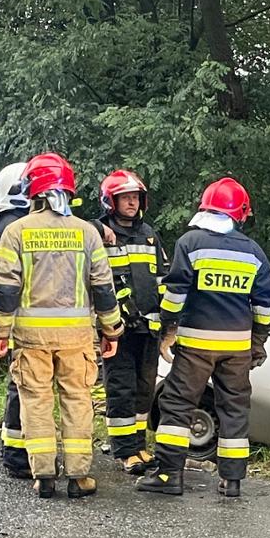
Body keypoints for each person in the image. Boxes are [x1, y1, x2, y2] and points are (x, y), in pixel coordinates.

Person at [0, 152, 123, 499]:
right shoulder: (87, 233)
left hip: (31, 336)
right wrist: (112, 330)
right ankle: (79, 477)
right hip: (77, 336)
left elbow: (5, 288)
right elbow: (103, 287)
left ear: (32, 190)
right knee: (77, 400)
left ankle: (43, 475)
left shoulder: (15, 232)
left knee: (35, 401)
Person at [139, 177, 270, 498]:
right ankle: (232, 481)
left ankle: (169, 476)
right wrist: (258, 344)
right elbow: (265, 305)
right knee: (234, 409)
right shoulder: (254, 253)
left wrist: (167, 332)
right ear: (241, 213)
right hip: (237, 348)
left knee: (176, 404)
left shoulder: (190, 243)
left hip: (197, 346)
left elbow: (175, 295)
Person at [94, 169, 168, 475]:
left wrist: (167, 323)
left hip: (148, 328)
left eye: (136, 197)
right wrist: (96, 227)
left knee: (143, 389)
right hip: (116, 329)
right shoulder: (98, 233)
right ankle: (124, 451)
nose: (132, 203)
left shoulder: (149, 234)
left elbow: (163, 278)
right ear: (110, 201)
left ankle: (139, 445)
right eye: (125, 197)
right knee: (120, 388)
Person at [0, 161, 32, 478]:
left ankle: (12, 445)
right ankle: (16, 455)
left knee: (19, 383)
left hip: (15, 316)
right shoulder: (12, 227)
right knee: (22, 384)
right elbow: (1, 282)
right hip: (22, 318)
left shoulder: (6, 224)